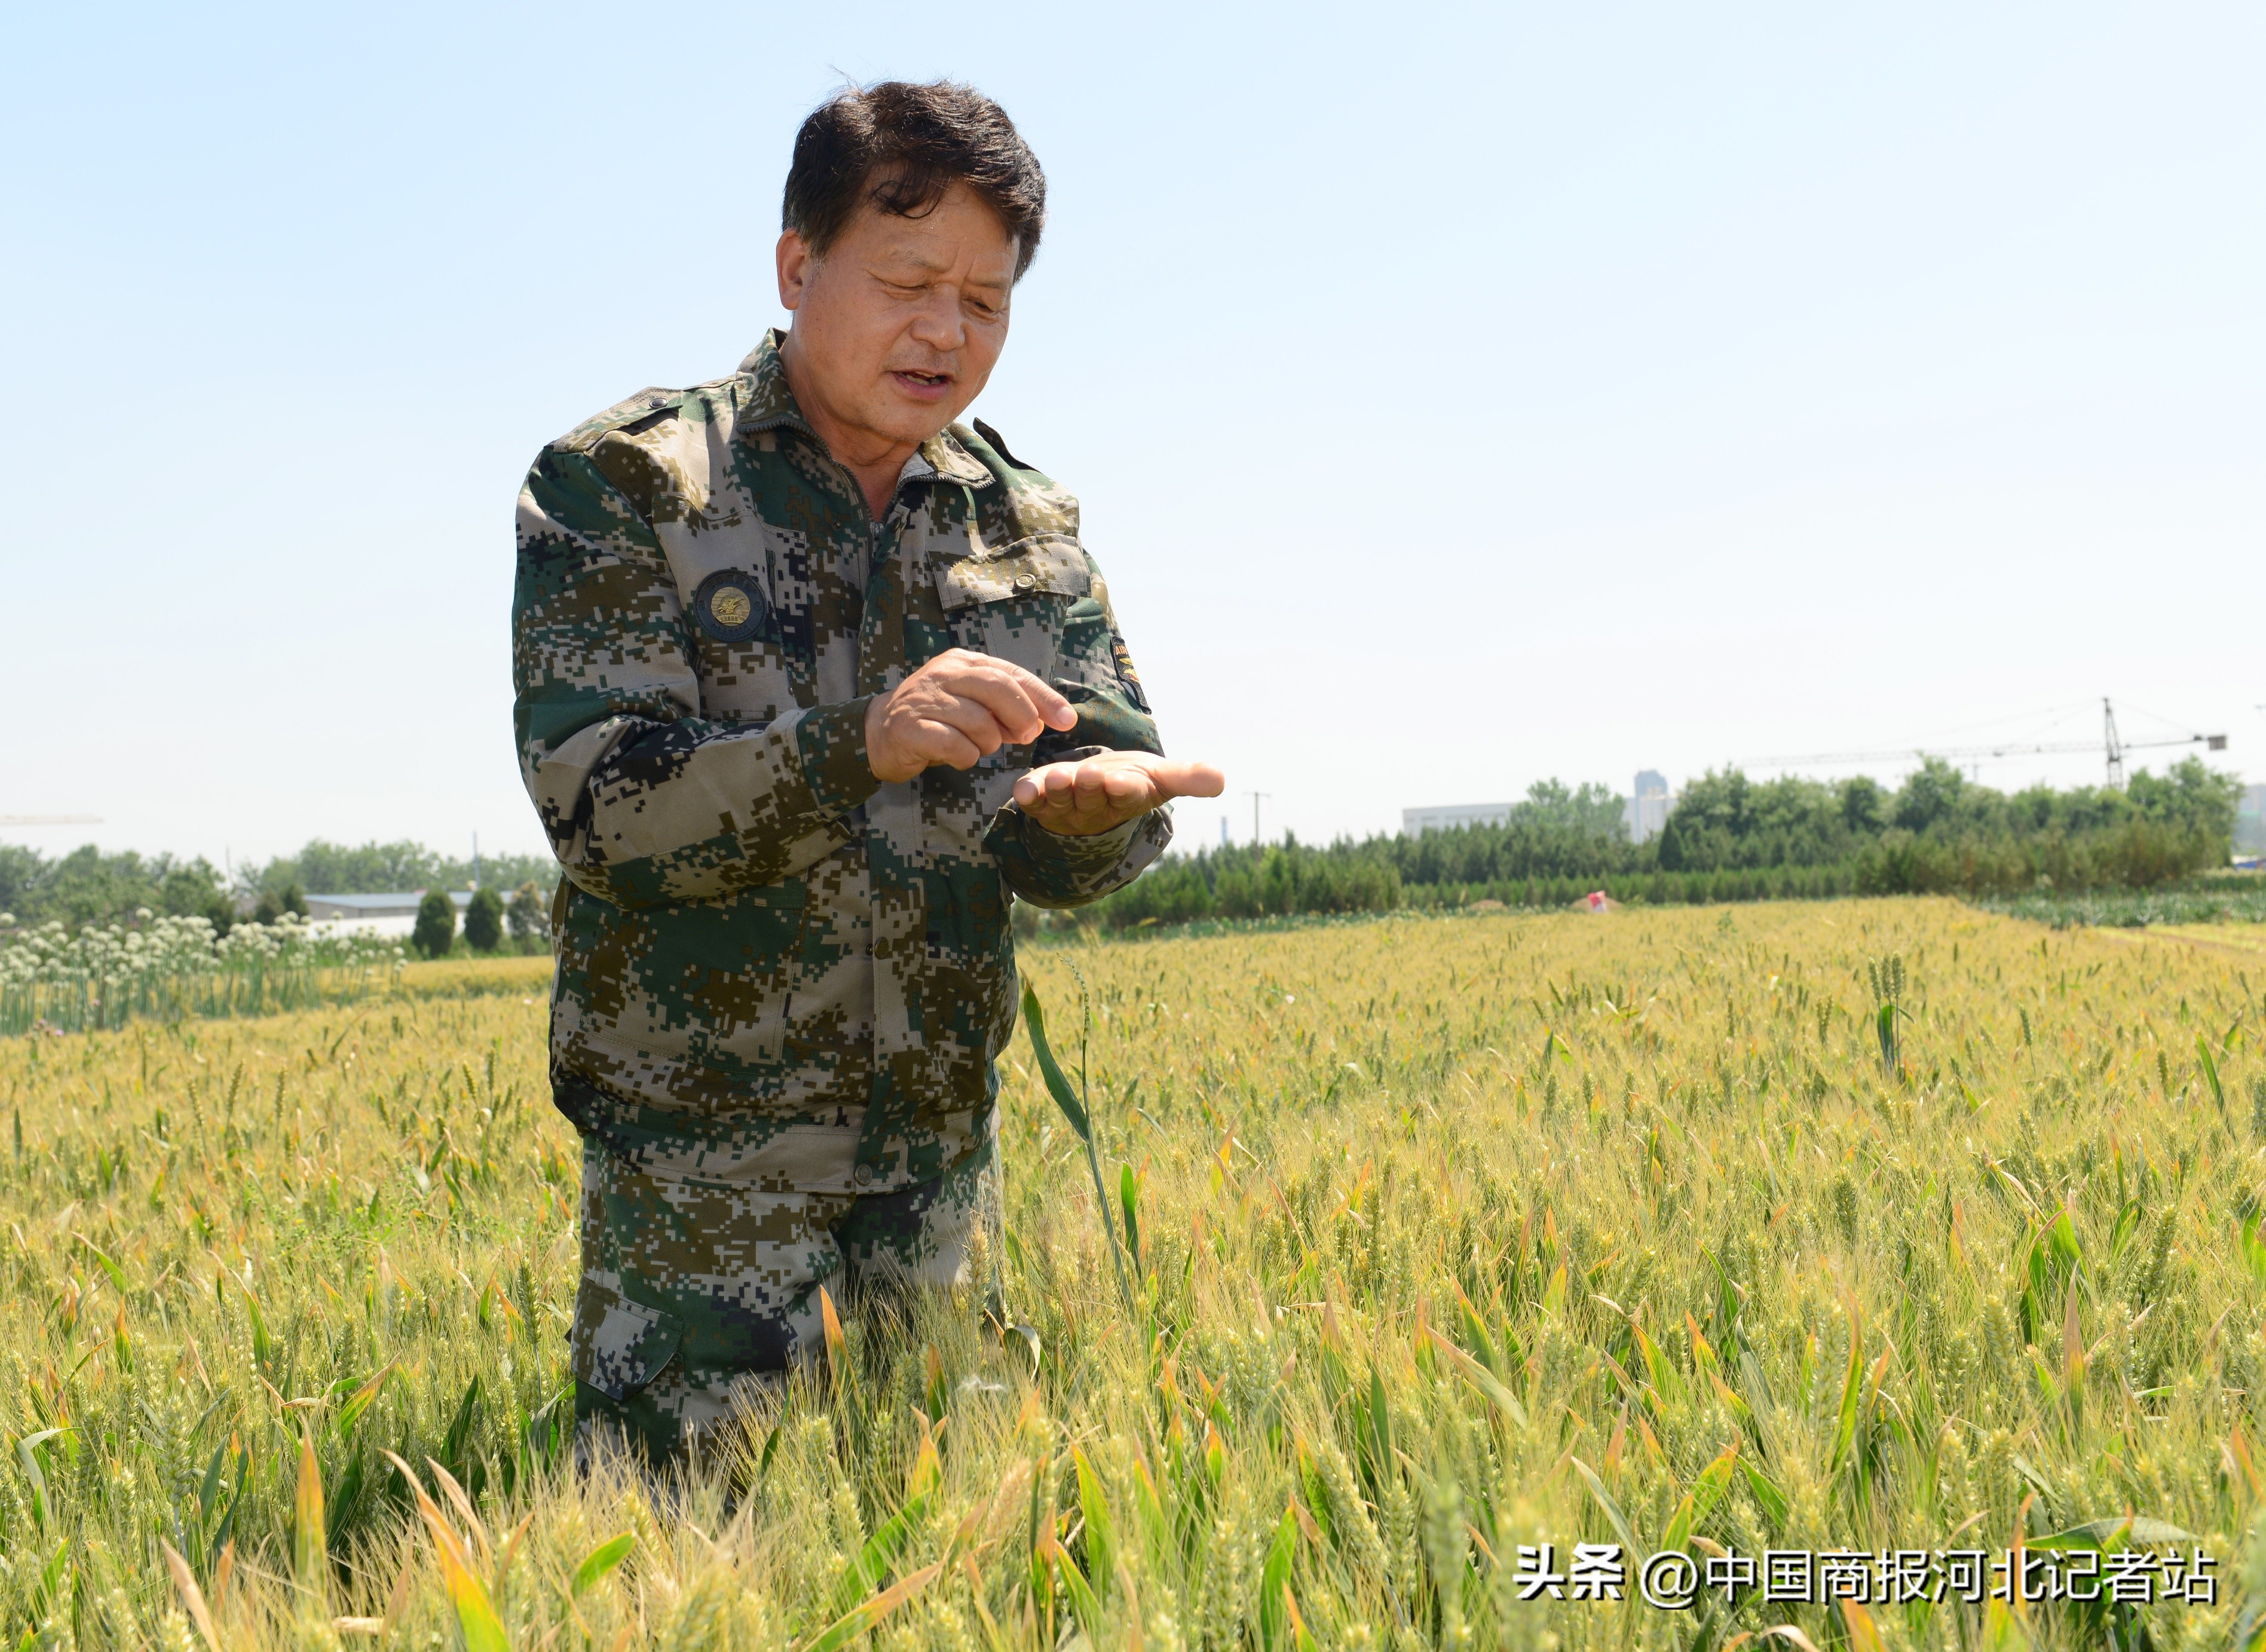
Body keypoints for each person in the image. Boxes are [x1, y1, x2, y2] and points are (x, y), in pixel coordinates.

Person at [511, 80, 1223, 1462]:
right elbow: (602, 806)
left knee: (923, 1556)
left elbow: (1104, 788)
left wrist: (1087, 823)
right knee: (686, 1573)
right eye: (908, 281)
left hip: (940, 1174)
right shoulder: (628, 489)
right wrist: (861, 744)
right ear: (797, 266)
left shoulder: (1026, 521)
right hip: (704, 1191)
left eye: (988, 301)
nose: (948, 332)